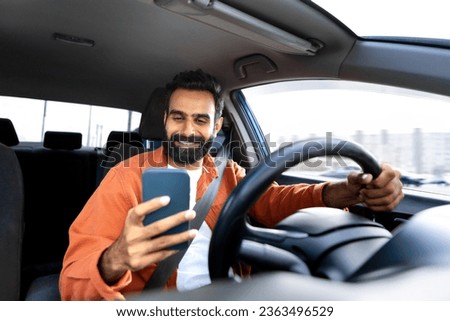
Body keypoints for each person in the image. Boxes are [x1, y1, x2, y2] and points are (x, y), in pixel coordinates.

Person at [59, 69, 404, 300]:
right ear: (165, 120)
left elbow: (274, 201)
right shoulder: (126, 178)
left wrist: (338, 192)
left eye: (200, 119)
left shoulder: (228, 172)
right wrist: (114, 259)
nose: (188, 130)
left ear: (218, 125)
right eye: (178, 116)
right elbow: (72, 280)